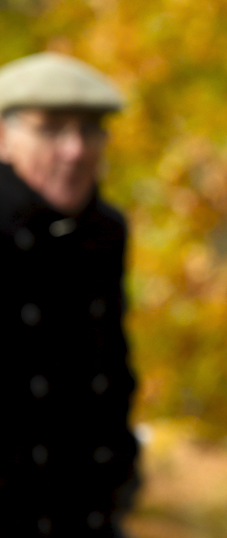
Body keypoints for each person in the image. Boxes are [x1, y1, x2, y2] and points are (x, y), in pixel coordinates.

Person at [0, 52, 139, 537]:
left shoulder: (104, 230)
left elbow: (110, 369)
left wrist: (122, 479)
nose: (75, 150)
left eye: (90, 130)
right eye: (52, 129)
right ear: (2, 136)